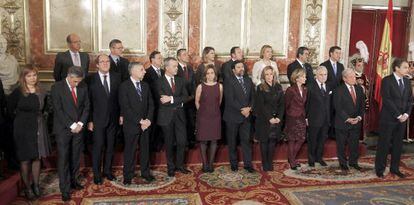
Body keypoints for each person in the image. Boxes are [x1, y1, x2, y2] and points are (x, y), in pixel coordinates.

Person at [7, 67, 51, 199]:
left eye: (34, 75)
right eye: (29, 76)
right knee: (25, 159)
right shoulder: (17, 92)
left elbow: (45, 109)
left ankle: (36, 185)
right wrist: (20, 122)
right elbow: (10, 110)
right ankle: (27, 188)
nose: (32, 78)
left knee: (36, 157)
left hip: (38, 127)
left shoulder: (42, 91)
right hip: (22, 129)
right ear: (23, 77)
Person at [51, 66, 90, 202]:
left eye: (79, 81)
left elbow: (86, 106)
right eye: (75, 82)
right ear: (69, 76)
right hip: (63, 129)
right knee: (64, 160)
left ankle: (74, 181)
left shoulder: (83, 86)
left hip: (79, 129)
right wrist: (72, 125)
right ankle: (65, 189)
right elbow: (58, 109)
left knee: (75, 157)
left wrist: (81, 124)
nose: (77, 84)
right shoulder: (57, 87)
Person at [86, 54, 121, 185]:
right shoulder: (90, 79)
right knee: (98, 147)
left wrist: (121, 114)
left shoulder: (117, 77)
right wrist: (89, 120)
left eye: (108, 61)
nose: (106, 63)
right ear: (97, 65)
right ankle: (97, 174)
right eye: (102, 61)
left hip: (113, 119)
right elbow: (87, 102)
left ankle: (107, 171)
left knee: (111, 147)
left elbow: (120, 98)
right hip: (97, 120)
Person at [375, 58, 413, 178]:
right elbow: (387, 100)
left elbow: (410, 100)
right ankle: (380, 169)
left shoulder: (407, 82)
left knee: (398, 145)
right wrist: (398, 115)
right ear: (397, 68)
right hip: (389, 118)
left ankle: (395, 168)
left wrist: (406, 114)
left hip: (402, 119)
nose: (408, 69)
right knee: (384, 144)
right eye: (405, 67)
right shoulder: (387, 80)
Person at [119, 62, 154, 185]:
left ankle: (145, 173)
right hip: (132, 125)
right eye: (141, 70)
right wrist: (140, 121)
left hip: (146, 125)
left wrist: (148, 120)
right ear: (133, 71)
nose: (144, 72)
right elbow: (126, 108)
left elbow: (151, 104)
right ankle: (128, 175)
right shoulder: (124, 86)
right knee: (130, 150)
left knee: (145, 150)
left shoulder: (145, 86)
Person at [157, 57, 190, 177]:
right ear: (166, 67)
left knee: (182, 141)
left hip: (180, 115)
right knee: (169, 142)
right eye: (174, 66)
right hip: (166, 116)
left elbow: (186, 97)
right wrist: (178, 101)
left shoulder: (181, 81)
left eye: (177, 66)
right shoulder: (159, 81)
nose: (177, 68)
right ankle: (170, 167)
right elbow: (162, 100)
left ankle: (180, 166)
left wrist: (171, 99)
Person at [223, 60, 255, 173]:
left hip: (246, 116)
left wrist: (249, 108)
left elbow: (253, 97)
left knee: (246, 141)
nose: (241, 69)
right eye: (238, 67)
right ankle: (234, 164)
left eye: (242, 67)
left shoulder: (248, 80)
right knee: (232, 141)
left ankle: (248, 164)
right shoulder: (228, 81)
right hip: (233, 116)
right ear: (233, 70)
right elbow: (230, 100)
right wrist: (243, 109)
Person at [333, 68, 365, 172]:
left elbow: (362, 106)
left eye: (354, 76)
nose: (354, 78)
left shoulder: (359, 89)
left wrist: (359, 117)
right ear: (344, 78)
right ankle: (343, 164)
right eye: (351, 77)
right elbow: (337, 107)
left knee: (354, 144)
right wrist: (347, 118)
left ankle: (353, 162)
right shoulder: (338, 90)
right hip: (343, 122)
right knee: (341, 145)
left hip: (356, 122)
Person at [253, 66, 284, 171]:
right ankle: (265, 163)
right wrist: (270, 117)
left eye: (271, 74)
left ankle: (269, 162)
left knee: (272, 141)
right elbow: (261, 105)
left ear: (274, 75)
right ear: (263, 76)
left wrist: (279, 117)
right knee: (264, 141)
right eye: (267, 74)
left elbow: (282, 104)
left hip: (276, 119)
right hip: (264, 120)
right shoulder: (260, 87)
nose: (269, 76)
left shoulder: (279, 87)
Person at [195, 64, 223, 173]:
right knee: (203, 141)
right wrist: (202, 112)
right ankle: (204, 164)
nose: (210, 75)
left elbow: (219, 101)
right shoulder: (200, 86)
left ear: (215, 74)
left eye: (212, 73)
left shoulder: (219, 86)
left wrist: (213, 110)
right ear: (205, 75)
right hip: (203, 116)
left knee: (214, 140)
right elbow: (197, 101)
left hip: (215, 116)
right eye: (208, 73)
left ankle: (210, 164)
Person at [306, 66, 331, 167]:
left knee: (322, 140)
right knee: (313, 139)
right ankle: (311, 159)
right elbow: (306, 103)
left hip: (326, 119)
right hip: (314, 118)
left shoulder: (328, 87)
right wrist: (306, 118)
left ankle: (319, 158)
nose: (323, 77)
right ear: (316, 75)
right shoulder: (310, 87)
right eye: (321, 74)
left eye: (325, 75)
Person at [285, 69, 307, 170]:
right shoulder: (290, 90)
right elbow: (286, 104)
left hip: (301, 117)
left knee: (301, 138)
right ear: (297, 78)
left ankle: (291, 158)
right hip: (292, 117)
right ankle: (292, 161)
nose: (305, 78)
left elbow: (304, 104)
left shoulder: (305, 89)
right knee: (292, 139)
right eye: (302, 76)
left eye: (305, 76)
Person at [143, 50, 164, 151]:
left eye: (161, 58)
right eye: (159, 58)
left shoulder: (164, 72)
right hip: (153, 105)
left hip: (164, 106)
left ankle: (159, 146)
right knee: (153, 128)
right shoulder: (146, 73)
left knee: (162, 127)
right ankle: (151, 148)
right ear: (152, 60)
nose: (161, 60)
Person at [176, 48, 196, 148]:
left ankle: (190, 141)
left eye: (187, 54)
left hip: (191, 100)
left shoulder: (190, 68)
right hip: (180, 101)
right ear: (179, 57)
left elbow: (193, 84)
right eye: (184, 54)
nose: (187, 56)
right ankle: (182, 143)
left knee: (191, 121)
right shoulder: (176, 69)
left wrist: (193, 95)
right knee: (181, 122)